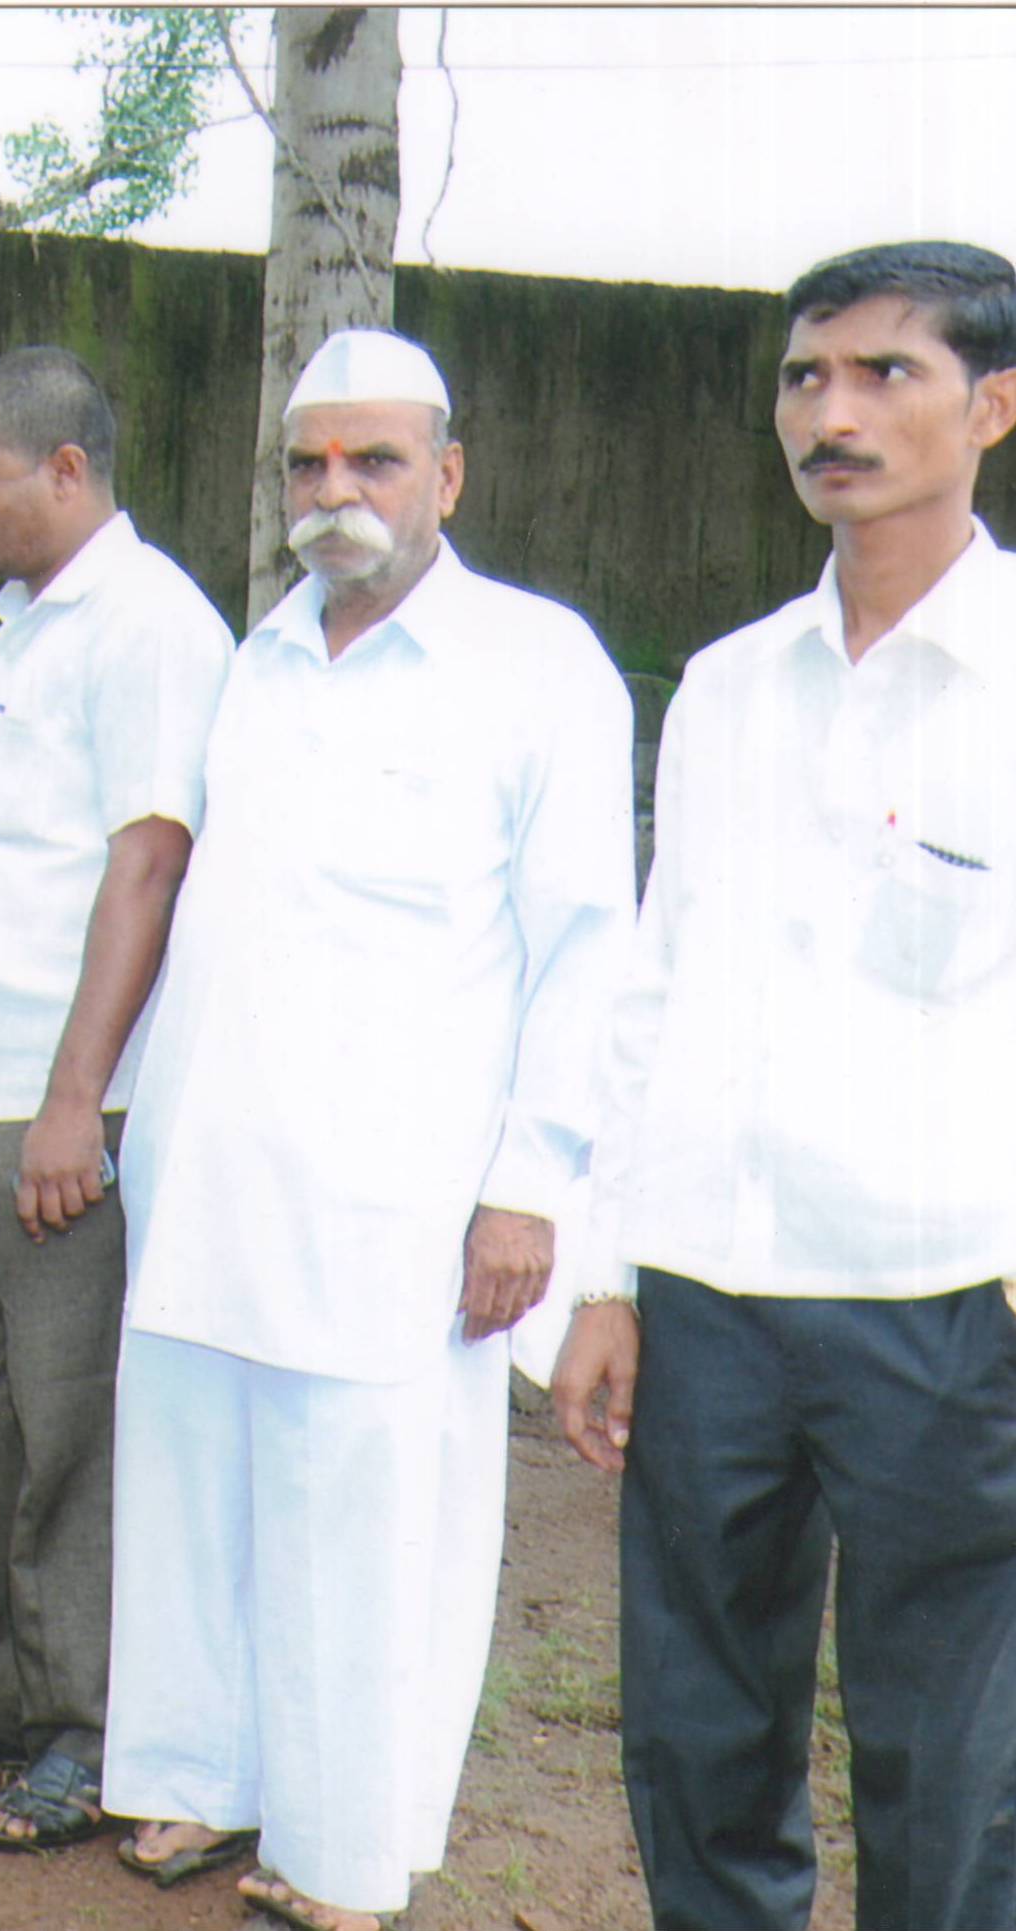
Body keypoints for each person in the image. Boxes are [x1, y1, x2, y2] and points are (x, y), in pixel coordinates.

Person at [102, 330, 636, 1930]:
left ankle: (344, 1847)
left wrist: (530, 1188)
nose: (335, 491)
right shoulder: (259, 655)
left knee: (371, 1515)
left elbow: (587, 946)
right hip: (212, 1156)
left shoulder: (537, 662)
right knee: (196, 1482)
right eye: (309, 461)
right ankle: (205, 1774)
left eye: (375, 460)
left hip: (402, 1187)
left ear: (447, 475)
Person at [560, 241, 1016, 1931]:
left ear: (993, 406)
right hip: (713, 1287)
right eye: (805, 377)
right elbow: (654, 982)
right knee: (698, 1730)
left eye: (887, 373)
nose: (834, 414)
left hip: (941, 1292)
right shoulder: (732, 684)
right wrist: (607, 1271)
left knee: (949, 1748)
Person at [0, 348, 232, 1853]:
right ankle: (11, 1681)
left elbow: (150, 862)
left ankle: (95, 1725)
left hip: (60, 1108)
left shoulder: (150, 625)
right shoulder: (23, 629)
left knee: (74, 1427)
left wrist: (78, 1098)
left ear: (67, 468)